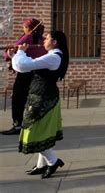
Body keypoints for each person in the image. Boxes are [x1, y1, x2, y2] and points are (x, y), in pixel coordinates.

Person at [10, 31, 69, 179]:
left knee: (34, 132)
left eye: (47, 38)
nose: (44, 40)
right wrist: (15, 55)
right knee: (42, 133)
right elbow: (28, 64)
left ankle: (53, 161)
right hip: (41, 96)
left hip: (43, 99)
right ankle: (41, 165)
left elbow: (23, 65)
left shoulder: (54, 57)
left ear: (54, 42)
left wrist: (20, 52)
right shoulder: (53, 56)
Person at [2, 18, 47, 135]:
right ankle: (35, 123)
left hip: (26, 74)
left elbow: (12, 53)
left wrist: (9, 53)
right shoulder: (43, 40)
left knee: (18, 98)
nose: (23, 28)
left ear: (28, 28)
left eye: (25, 26)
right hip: (39, 73)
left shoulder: (27, 38)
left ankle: (18, 125)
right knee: (33, 99)